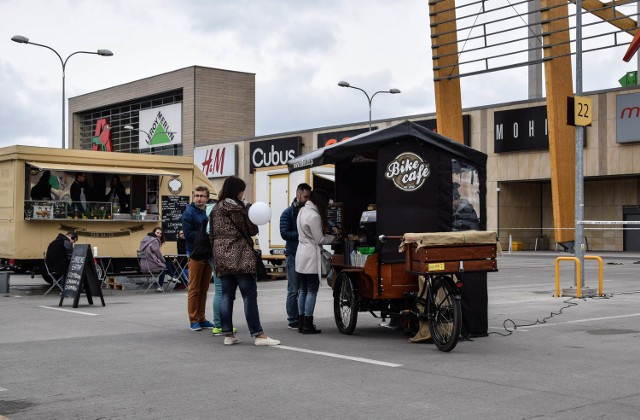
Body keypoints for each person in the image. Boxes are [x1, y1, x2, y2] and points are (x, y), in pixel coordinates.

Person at [210, 176, 280, 346]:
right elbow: (252, 229)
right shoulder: (240, 209)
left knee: (227, 296)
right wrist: (247, 209)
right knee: (249, 296)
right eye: (242, 190)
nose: (243, 194)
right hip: (241, 256)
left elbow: (211, 234)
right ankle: (258, 335)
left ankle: (228, 335)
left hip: (221, 256)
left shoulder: (215, 209)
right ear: (237, 191)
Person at [295, 189, 335, 334]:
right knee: (312, 290)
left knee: (303, 290)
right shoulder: (314, 216)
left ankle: (301, 322)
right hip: (311, 255)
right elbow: (320, 239)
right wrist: (334, 238)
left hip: (301, 254)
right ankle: (308, 323)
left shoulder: (302, 211)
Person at [182, 186, 215, 331]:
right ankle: (193, 319)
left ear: (207, 198)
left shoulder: (209, 212)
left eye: (202, 196)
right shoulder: (189, 213)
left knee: (204, 288)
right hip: (195, 253)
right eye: (196, 195)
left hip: (207, 253)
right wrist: (205, 235)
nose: (199, 198)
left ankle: (202, 318)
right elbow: (188, 234)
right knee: (194, 289)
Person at [279, 182, 311, 330]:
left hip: (305, 254)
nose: (307, 199)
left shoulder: (309, 211)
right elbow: (284, 233)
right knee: (293, 289)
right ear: (298, 195)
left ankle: (302, 316)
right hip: (293, 254)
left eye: (309, 196)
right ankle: (292, 319)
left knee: (303, 288)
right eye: (305, 196)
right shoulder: (287, 213)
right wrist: (302, 234)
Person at [139, 227, 173, 292]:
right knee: (164, 265)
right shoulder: (154, 240)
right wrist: (163, 260)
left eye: (160, 233)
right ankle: (172, 277)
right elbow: (158, 253)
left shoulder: (144, 240)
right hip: (151, 264)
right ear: (154, 232)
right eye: (157, 233)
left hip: (143, 264)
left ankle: (173, 277)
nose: (159, 235)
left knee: (165, 265)